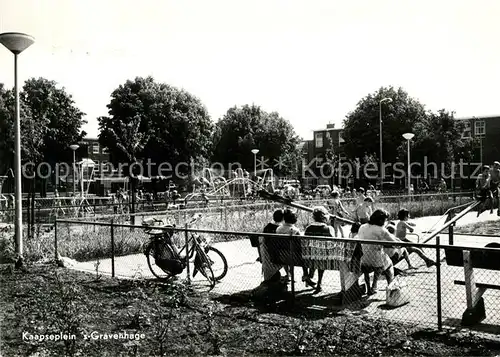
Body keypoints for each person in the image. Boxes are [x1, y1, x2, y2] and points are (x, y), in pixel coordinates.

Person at [358, 209, 400, 295]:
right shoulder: (381, 229)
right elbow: (395, 243)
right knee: (389, 265)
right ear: (381, 220)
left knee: (369, 269)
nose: (386, 222)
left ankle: (370, 288)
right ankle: (388, 288)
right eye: (385, 220)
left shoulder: (363, 226)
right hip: (376, 258)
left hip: (364, 257)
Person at [303, 206, 336, 294]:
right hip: (323, 258)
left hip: (310, 257)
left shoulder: (308, 228)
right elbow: (334, 242)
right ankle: (319, 282)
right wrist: (333, 224)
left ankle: (308, 274)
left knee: (314, 253)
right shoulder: (328, 228)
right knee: (322, 255)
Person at [276, 209, 305, 283]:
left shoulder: (278, 229)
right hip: (294, 256)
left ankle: (289, 274)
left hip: (281, 255)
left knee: (286, 256)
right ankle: (306, 275)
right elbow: (300, 243)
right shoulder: (295, 230)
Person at [259, 209, 285, 282]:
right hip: (278, 254)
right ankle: (289, 274)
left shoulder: (267, 227)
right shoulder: (281, 229)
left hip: (267, 252)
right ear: (283, 218)